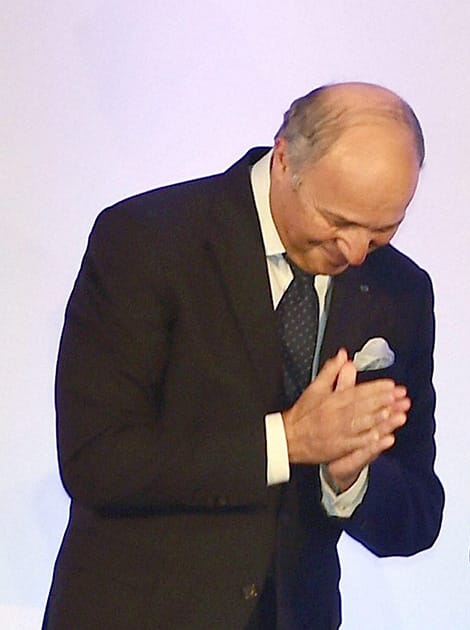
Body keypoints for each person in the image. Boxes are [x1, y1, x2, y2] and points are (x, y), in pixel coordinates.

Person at [44, 82, 444, 629]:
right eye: (339, 222)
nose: (355, 253)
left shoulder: (402, 291)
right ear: (284, 160)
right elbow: (97, 459)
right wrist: (287, 441)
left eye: (382, 230)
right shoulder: (149, 241)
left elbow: (419, 516)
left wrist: (352, 480)